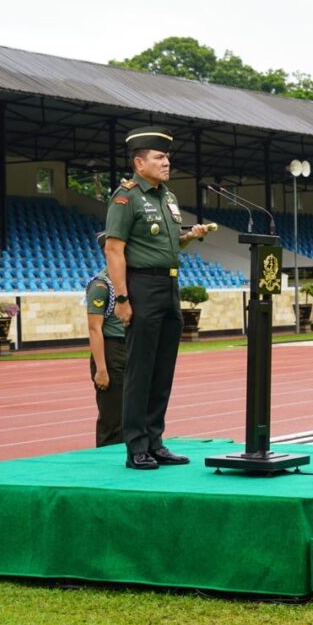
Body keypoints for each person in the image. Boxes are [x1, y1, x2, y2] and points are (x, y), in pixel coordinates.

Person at [104, 126, 210, 469]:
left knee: (163, 369)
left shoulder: (167, 197)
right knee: (140, 370)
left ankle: (155, 440)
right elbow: (114, 249)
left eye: (167, 157)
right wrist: (122, 298)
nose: (167, 162)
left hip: (170, 286)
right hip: (142, 287)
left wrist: (189, 237)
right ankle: (136, 446)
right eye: (159, 157)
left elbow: (164, 244)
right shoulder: (126, 197)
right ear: (139, 162)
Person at [86, 232, 124, 448]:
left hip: (129, 349)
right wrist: (101, 369)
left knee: (131, 414)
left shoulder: (126, 281)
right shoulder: (101, 285)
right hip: (112, 351)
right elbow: (94, 328)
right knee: (113, 417)